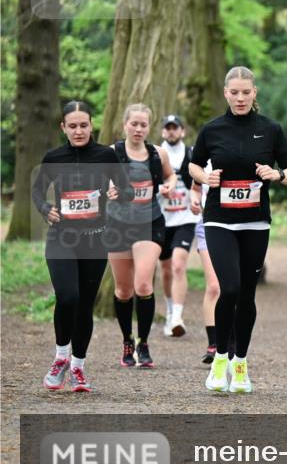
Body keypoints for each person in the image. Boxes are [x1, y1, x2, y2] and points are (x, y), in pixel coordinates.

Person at [188, 66, 287, 393]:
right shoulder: (212, 129)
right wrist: (203, 177)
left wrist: (275, 175)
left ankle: (241, 365)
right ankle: (220, 358)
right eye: (234, 92)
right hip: (219, 219)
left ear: (255, 94)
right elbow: (193, 165)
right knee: (230, 288)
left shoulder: (270, 129)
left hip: (255, 220)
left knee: (248, 294)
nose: (240, 98)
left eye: (245, 92)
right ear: (226, 93)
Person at [34, 100, 134, 392]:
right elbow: (37, 190)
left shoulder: (106, 155)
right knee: (67, 296)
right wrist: (45, 208)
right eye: (73, 126)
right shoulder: (53, 157)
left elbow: (127, 189)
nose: (79, 131)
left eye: (84, 125)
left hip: (94, 240)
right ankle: (60, 358)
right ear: (63, 128)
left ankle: (78, 366)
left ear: (92, 125)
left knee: (85, 305)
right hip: (61, 238)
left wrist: (120, 191)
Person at [106, 103, 176, 369]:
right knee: (123, 290)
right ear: (125, 124)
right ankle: (127, 340)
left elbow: (169, 178)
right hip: (118, 224)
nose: (138, 129)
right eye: (133, 123)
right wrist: (109, 189)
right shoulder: (112, 153)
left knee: (143, 285)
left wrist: (168, 187)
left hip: (150, 223)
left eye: (143, 125)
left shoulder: (158, 153)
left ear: (149, 127)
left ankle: (143, 342)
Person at [157, 114, 200, 337]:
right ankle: (169, 308)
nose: (171, 132)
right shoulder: (155, 155)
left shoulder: (192, 154)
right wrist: (161, 190)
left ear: (182, 131)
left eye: (175, 128)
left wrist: (197, 201)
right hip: (161, 220)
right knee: (165, 271)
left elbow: (202, 183)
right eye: (168, 128)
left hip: (186, 218)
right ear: (163, 132)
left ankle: (177, 317)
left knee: (178, 266)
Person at [189, 173, 224, 364]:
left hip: (236, 224)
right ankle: (213, 344)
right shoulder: (202, 155)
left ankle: (232, 341)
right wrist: (195, 202)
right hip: (207, 223)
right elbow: (195, 189)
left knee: (232, 287)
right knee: (214, 287)